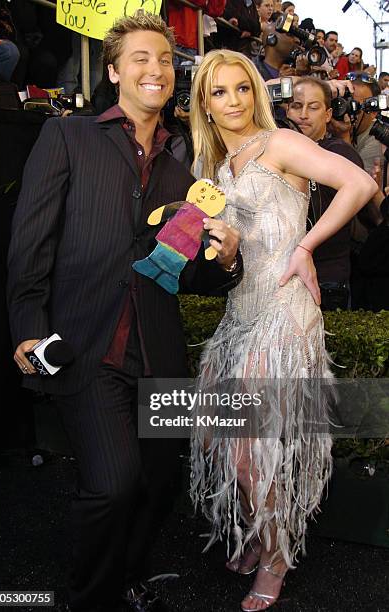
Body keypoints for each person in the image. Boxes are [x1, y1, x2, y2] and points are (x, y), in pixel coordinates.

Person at [7, 12, 242, 612]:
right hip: (86, 345)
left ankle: (129, 579)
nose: (154, 69)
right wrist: (28, 331)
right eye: (140, 57)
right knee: (112, 485)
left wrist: (226, 259)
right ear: (114, 71)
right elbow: (31, 246)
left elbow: (187, 275)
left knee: (159, 483)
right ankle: (85, 597)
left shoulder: (181, 172)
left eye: (164, 59)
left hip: (158, 351)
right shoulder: (69, 137)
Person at [189, 49, 377, 612]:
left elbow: (360, 183)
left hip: (284, 309)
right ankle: (254, 532)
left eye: (242, 88)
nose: (233, 101)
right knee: (219, 437)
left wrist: (304, 246)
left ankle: (276, 554)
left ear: (256, 93)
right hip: (239, 312)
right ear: (204, 102)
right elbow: (227, 255)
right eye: (219, 92)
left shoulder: (281, 144)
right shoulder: (214, 167)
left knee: (250, 450)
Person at [286, 76, 364, 310]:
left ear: (328, 114)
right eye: (297, 106)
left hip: (328, 277)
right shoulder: (276, 152)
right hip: (287, 273)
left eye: (313, 106)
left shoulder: (340, 153)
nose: (303, 114)